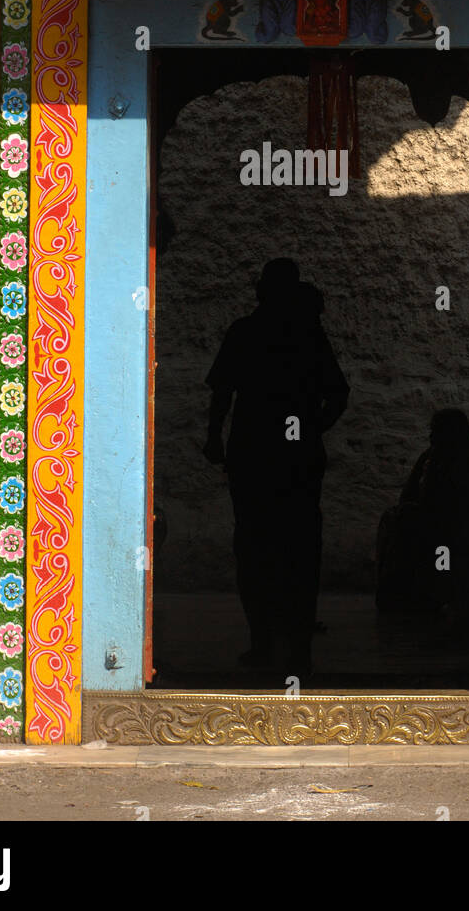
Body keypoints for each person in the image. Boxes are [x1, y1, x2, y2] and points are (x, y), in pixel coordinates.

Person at [204, 259, 349, 678]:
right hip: (296, 457)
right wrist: (312, 429)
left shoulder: (245, 332)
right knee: (300, 547)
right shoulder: (307, 335)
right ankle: (297, 646)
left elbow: (222, 393)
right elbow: (339, 394)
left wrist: (214, 437)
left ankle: (262, 640)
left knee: (253, 545)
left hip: (252, 452)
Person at [376, 408, 469, 638]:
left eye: (437, 431)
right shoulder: (430, 458)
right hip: (434, 524)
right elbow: (410, 494)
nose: (431, 437)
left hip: (458, 528)